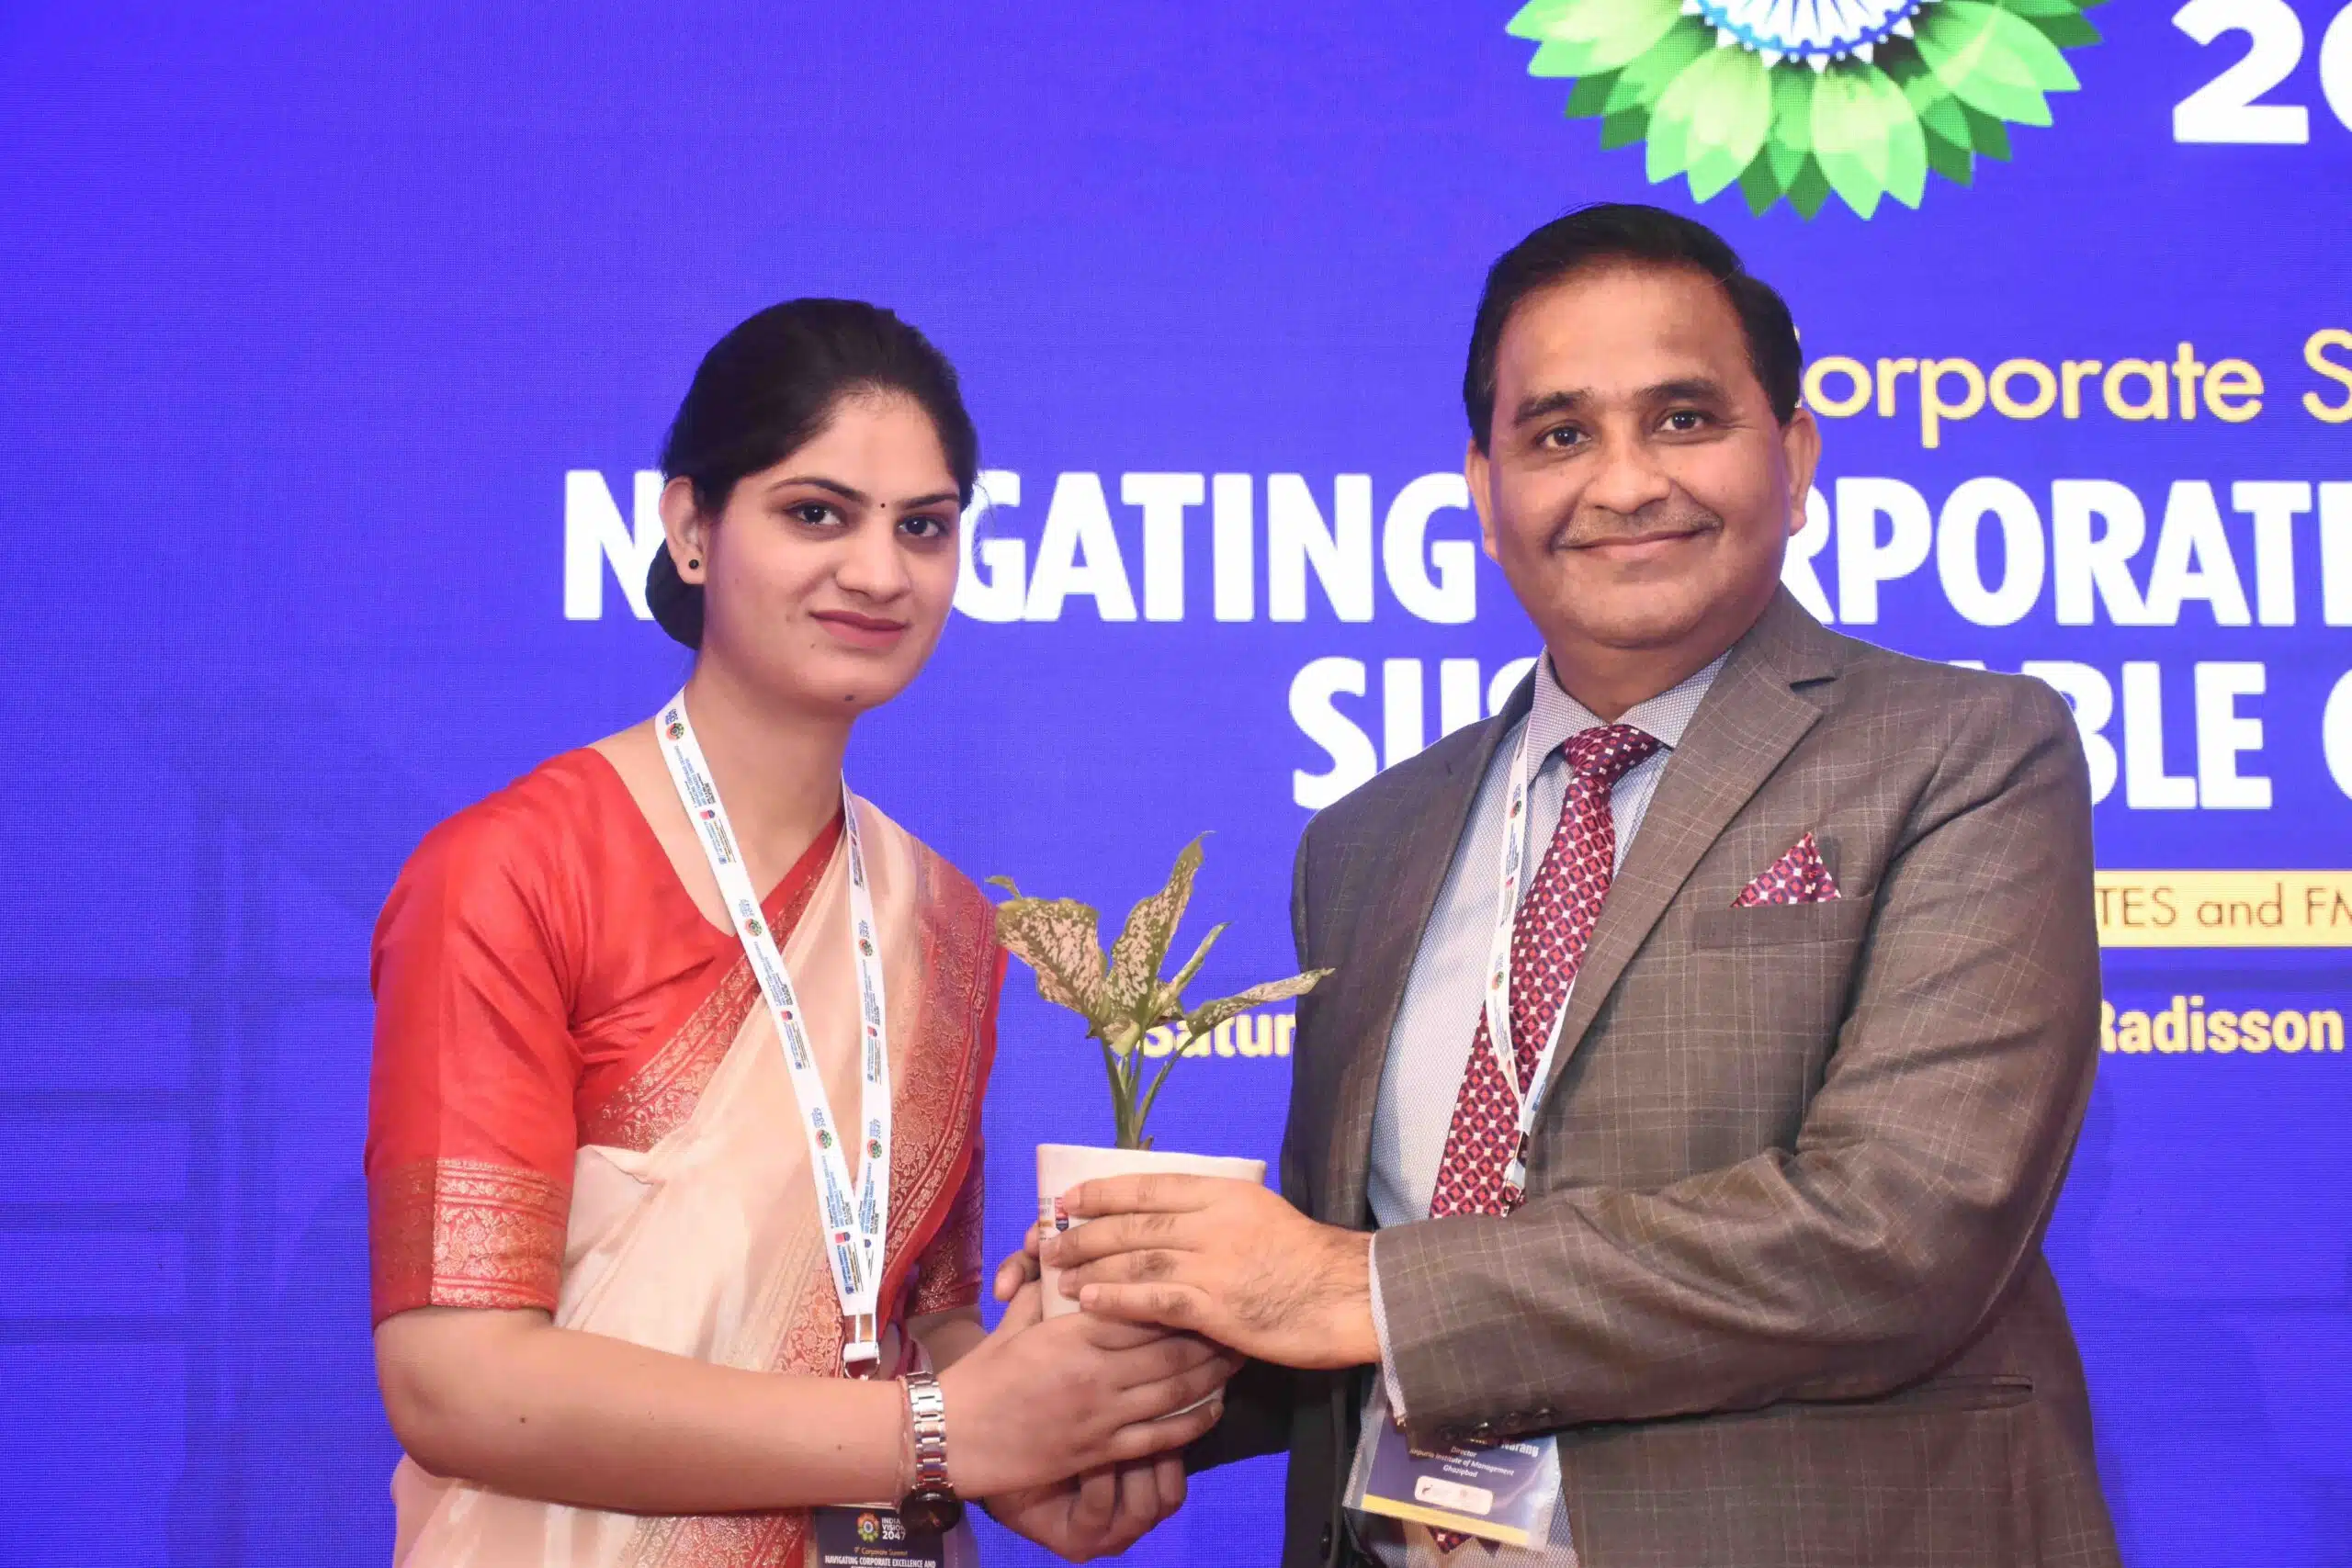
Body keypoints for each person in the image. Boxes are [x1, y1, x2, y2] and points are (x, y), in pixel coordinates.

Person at [1027, 206, 2121, 1567]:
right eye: (1558, 435)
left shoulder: (1967, 750)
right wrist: (1135, 1368)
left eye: (1683, 419)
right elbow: (1354, 1286)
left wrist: (1355, 1286)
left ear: (1794, 458)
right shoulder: (1367, 840)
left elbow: (1899, 1233)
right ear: (1485, 492)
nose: (1624, 482)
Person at [367, 299, 1234, 1568]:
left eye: (923, 526)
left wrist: (1044, 1442)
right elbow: (455, 1380)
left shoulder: (941, 918)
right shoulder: (512, 873)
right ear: (690, 528)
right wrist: (941, 1435)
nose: (880, 572)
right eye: (817, 513)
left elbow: (910, 1325)